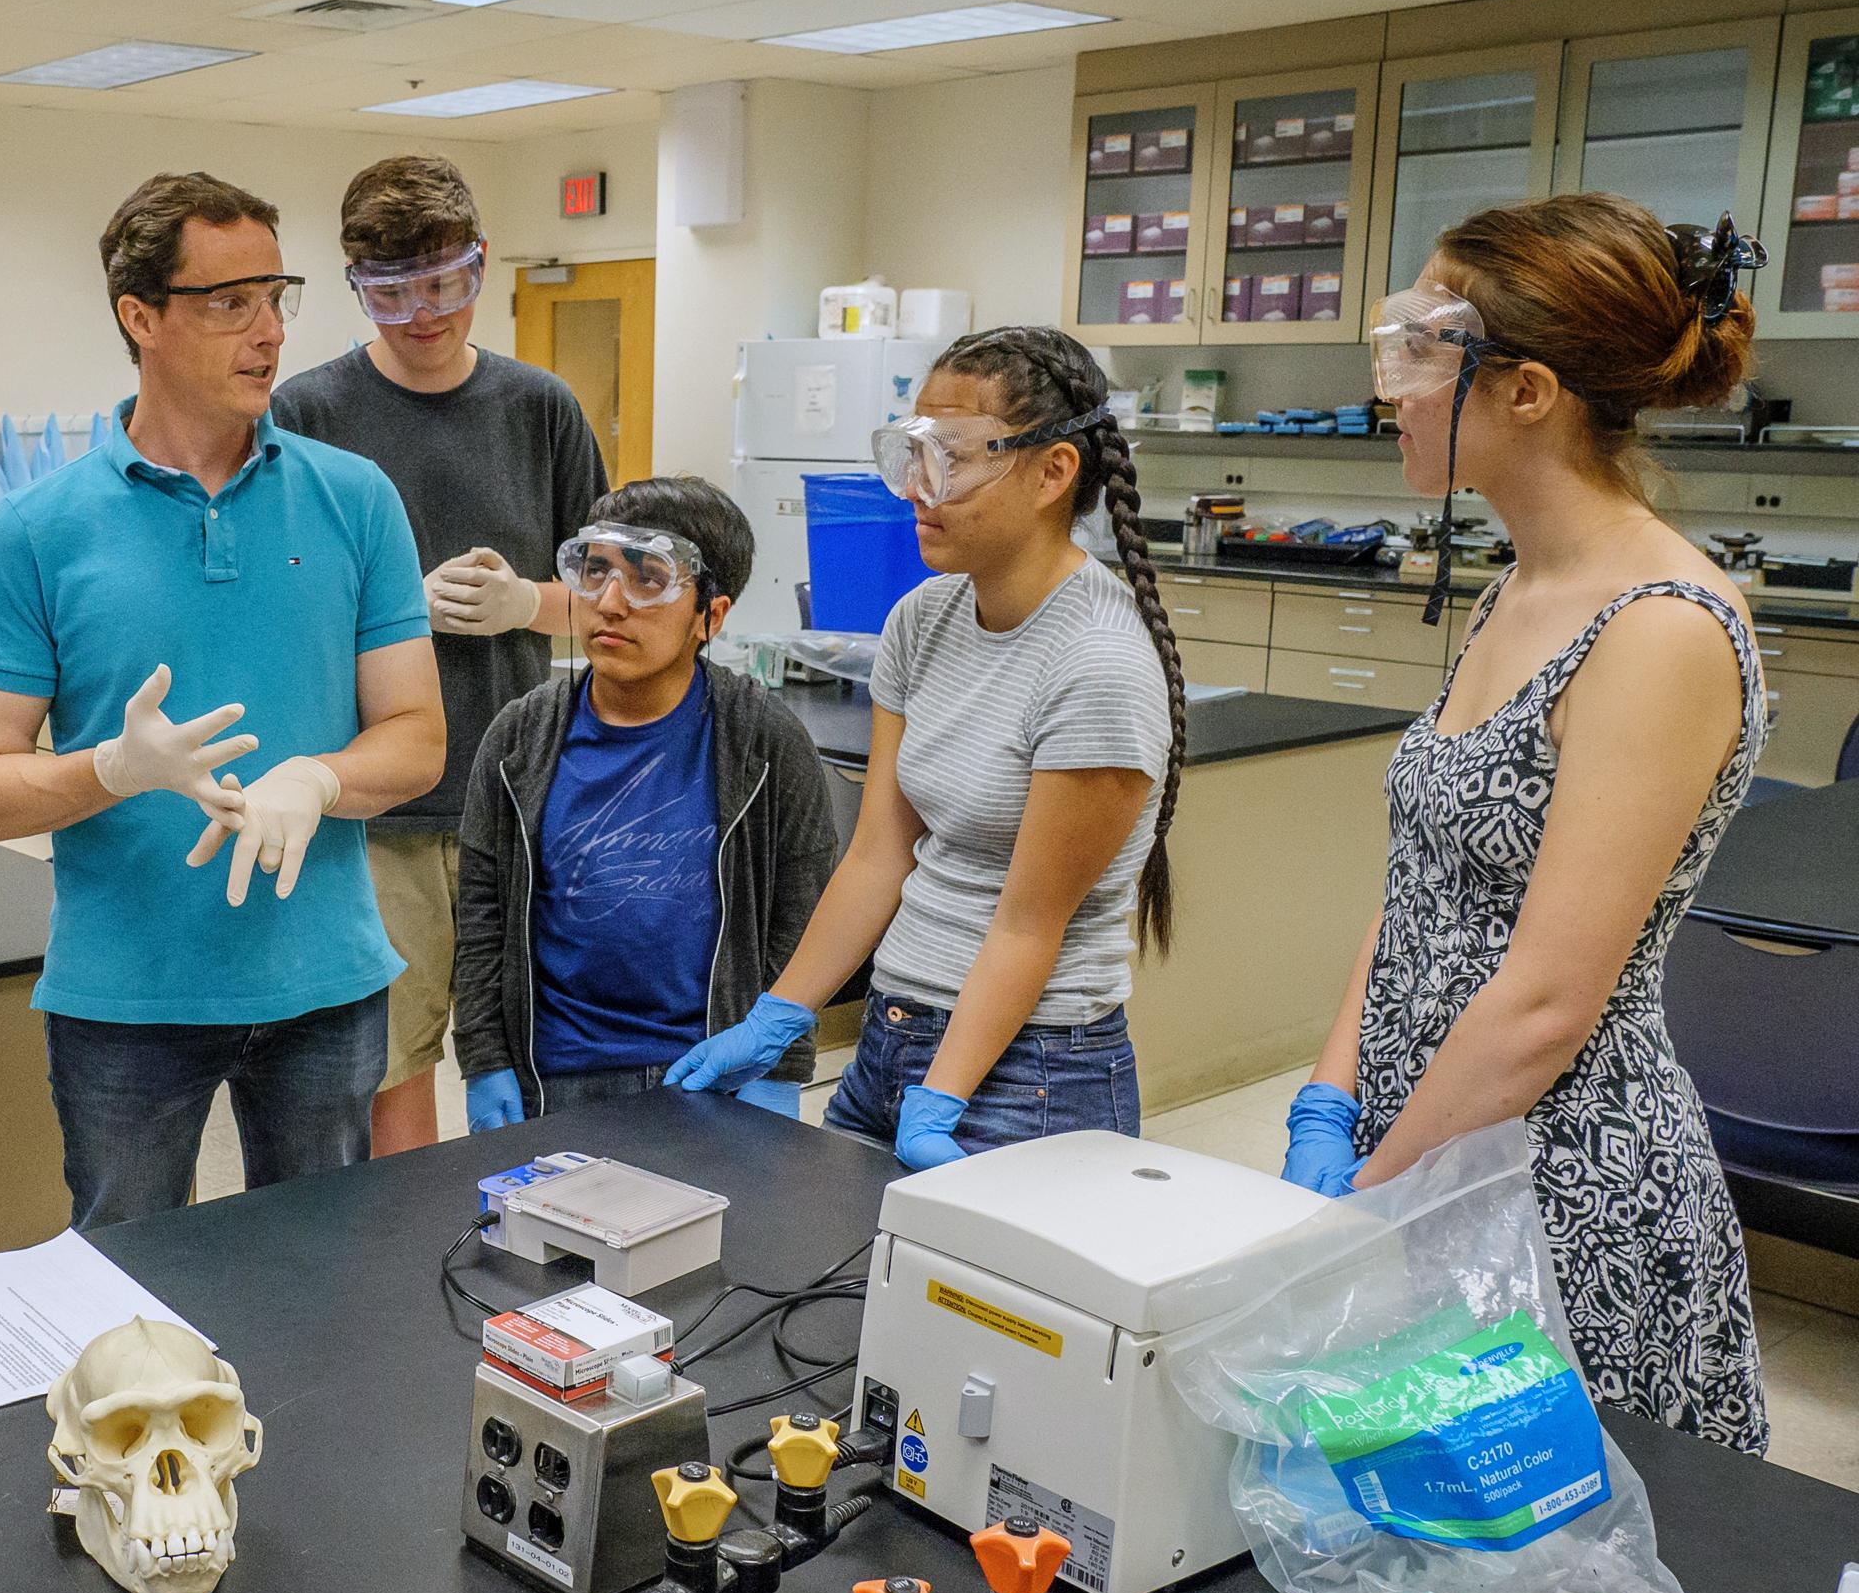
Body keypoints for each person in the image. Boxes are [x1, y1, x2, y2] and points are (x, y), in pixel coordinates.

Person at [1283, 197, 1772, 1453]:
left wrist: (1374, 1206)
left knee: (1535, 1588)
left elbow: (1550, 1001)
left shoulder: (1660, 626)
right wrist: (1331, 1104)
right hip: (1424, 1136)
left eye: (1415, 354)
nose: (1388, 388)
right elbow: (1424, 888)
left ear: (1529, 390)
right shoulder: (1521, 585)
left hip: (1554, 1180)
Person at [0, 171, 445, 1227]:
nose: (268, 332)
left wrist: (319, 776)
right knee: (129, 1299)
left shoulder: (355, 500)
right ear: (141, 318)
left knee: (319, 1290)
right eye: (230, 303)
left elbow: (415, 740)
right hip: (126, 1000)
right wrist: (111, 771)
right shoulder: (35, 532)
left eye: (278, 297)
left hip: (325, 987)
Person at [666, 326, 1187, 1168]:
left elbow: (1028, 925)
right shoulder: (924, 618)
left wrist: (941, 1099)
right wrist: (780, 1013)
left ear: (1054, 472)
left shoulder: (1098, 662)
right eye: (911, 453)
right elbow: (879, 853)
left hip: (1031, 1068)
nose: (917, 487)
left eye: (950, 457)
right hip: (893, 1036)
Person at [268, 155, 605, 1153]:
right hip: (381, 815)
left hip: (527, 802)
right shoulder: (305, 417)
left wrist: (524, 603)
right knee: (392, 1067)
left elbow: (610, 606)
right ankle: (411, 1263)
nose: (423, 315)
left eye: (445, 284)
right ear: (355, 289)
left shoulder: (542, 409)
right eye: (391, 292)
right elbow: (274, 621)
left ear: (483, 267)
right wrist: (388, 613)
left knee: (544, 1048)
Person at [453, 478, 834, 1126]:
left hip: (715, 1069)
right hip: (559, 1073)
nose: (609, 602)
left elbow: (800, 920)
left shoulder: (764, 742)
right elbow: (483, 916)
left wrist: (784, 1065)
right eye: (595, 571)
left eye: (647, 580)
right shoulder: (520, 739)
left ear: (711, 616)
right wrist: (484, 1058)